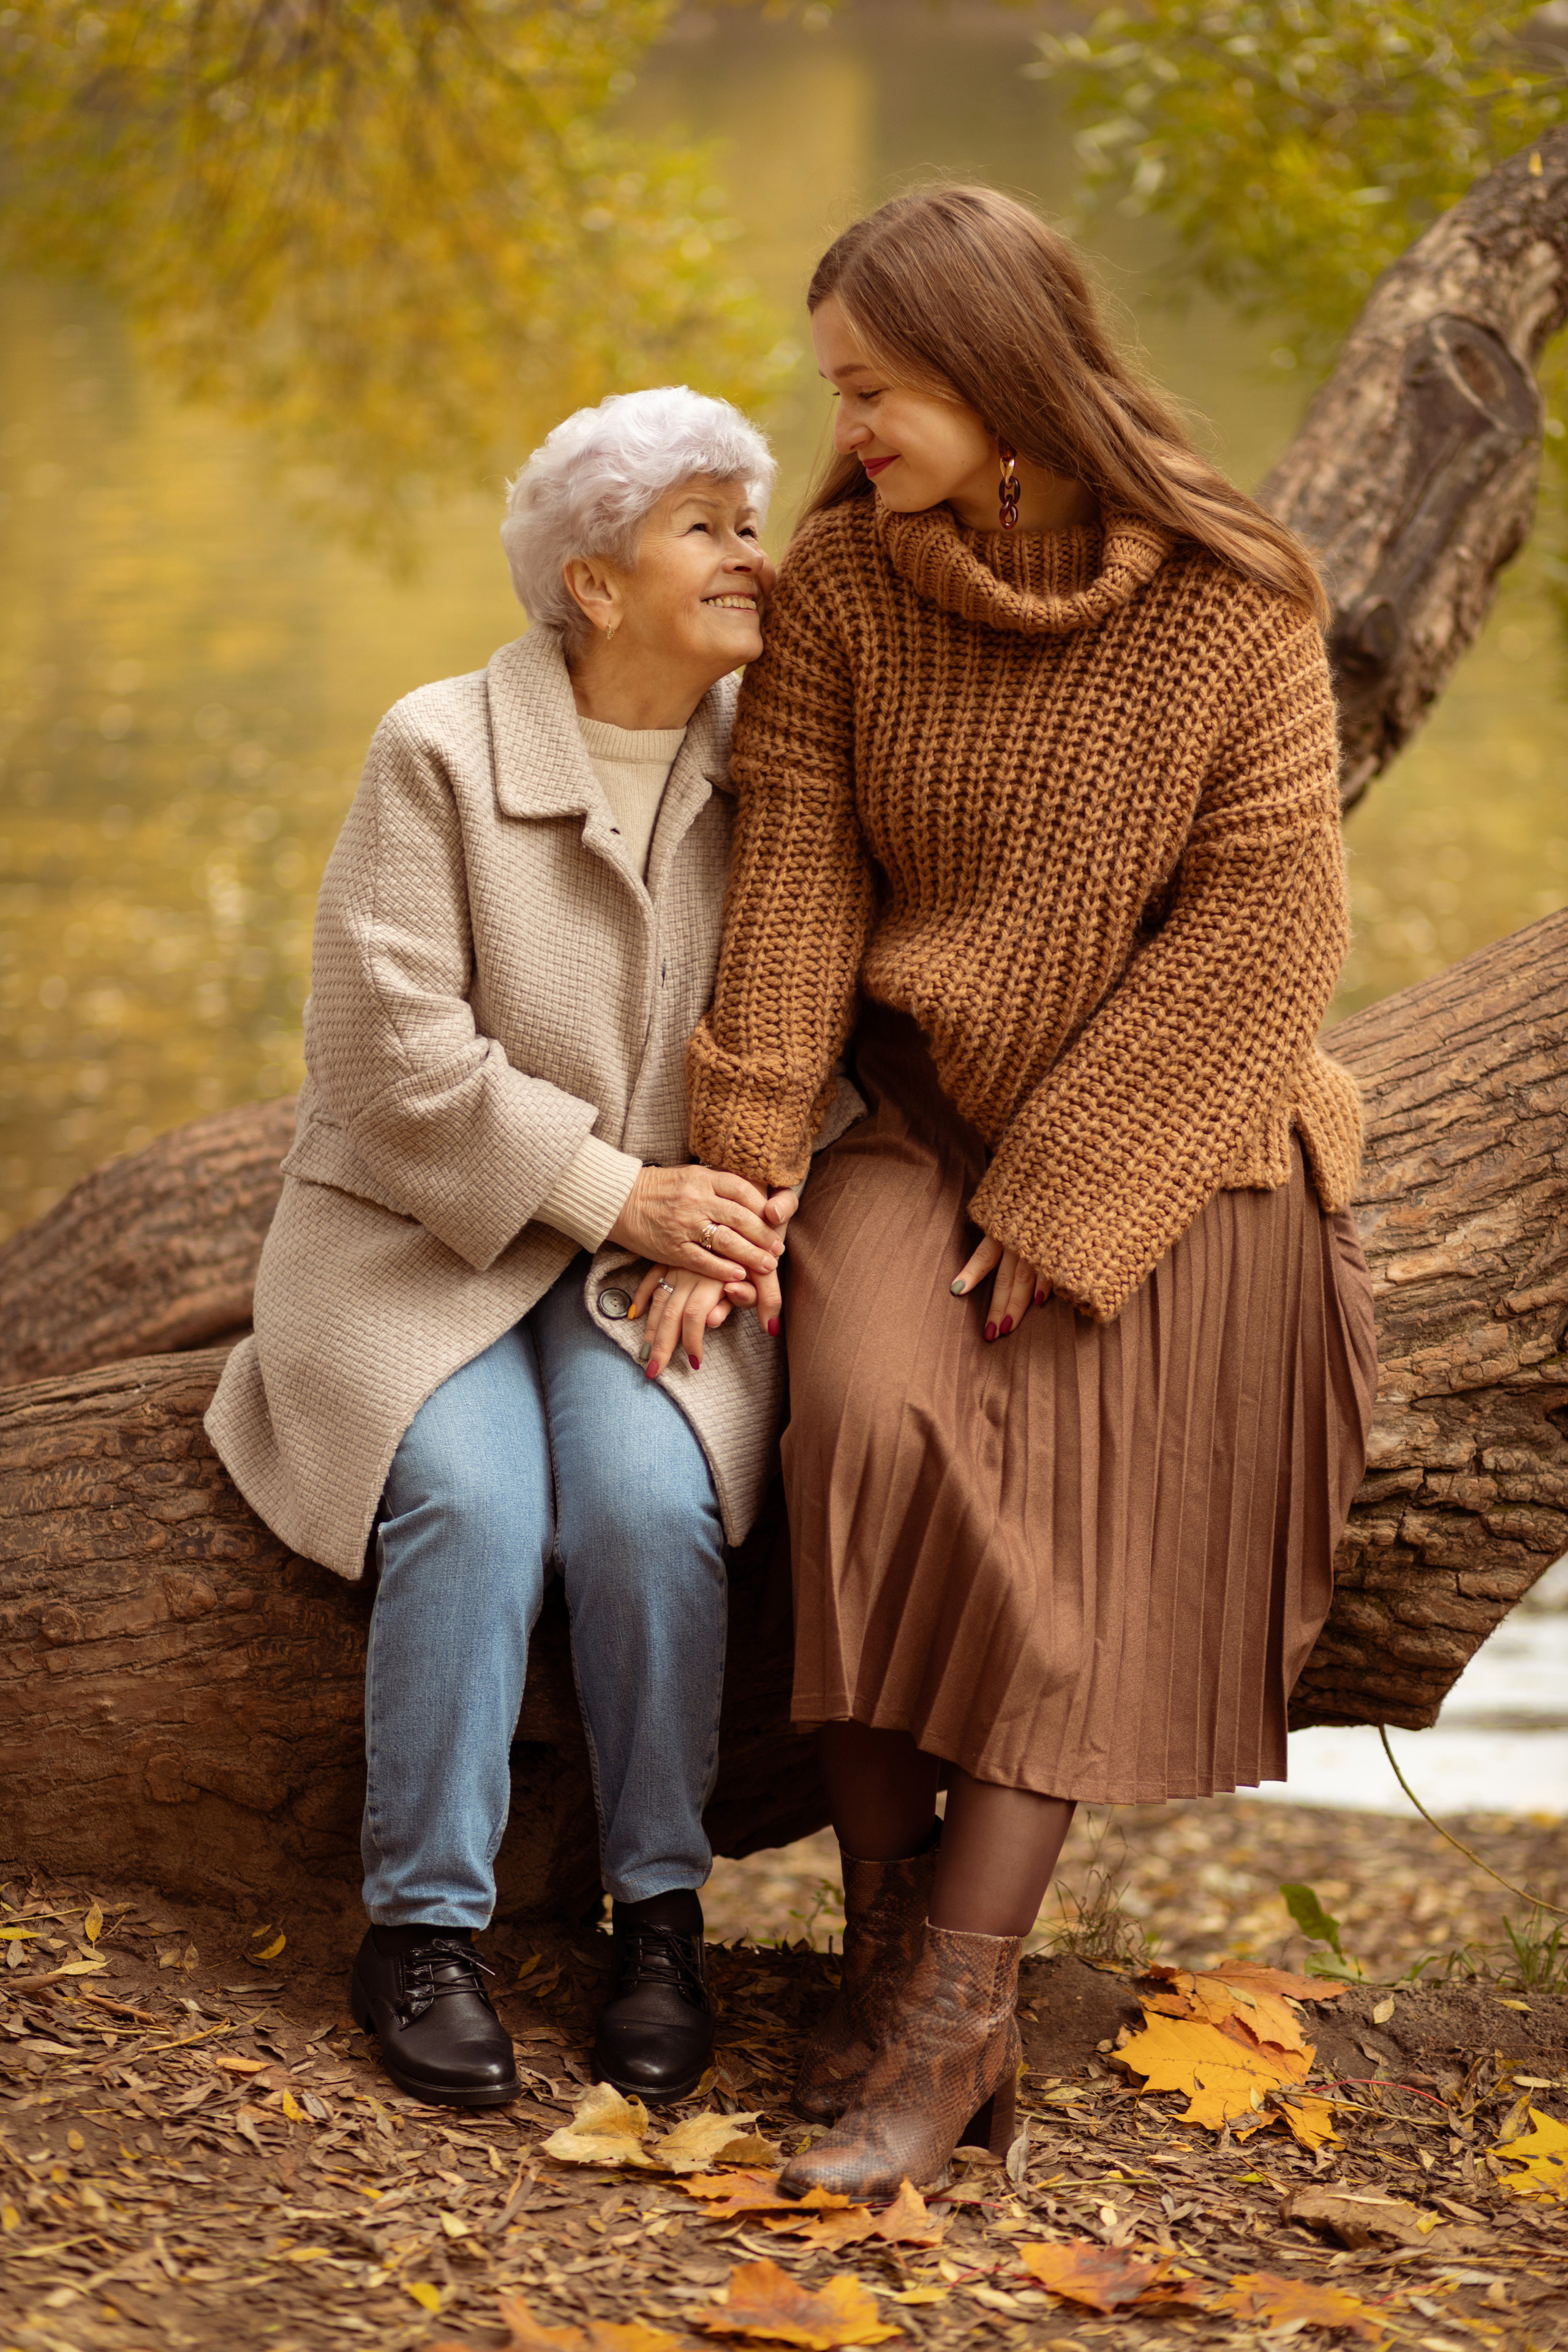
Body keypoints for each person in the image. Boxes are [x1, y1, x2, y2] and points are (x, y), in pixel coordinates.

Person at [685, 187, 1378, 2198]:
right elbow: (801, 879)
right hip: (913, 1117)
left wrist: (1083, 1186)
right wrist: (739, 1173)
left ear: (1001, 372)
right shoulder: (840, 588)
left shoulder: (1235, 599)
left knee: (1096, 1466)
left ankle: (954, 2011)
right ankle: (890, 1927)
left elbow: (1273, 920)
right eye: (845, 390)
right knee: (871, 1424)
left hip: (1183, 1126)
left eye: (877, 387)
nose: (851, 429)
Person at [207, 385, 859, 2113]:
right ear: (592, 580)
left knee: (652, 1504)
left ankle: (660, 1915)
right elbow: (389, 1061)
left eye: (753, 516)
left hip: (659, 1254)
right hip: (414, 1233)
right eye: (707, 526)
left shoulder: (777, 768)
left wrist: (737, 1204)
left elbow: (820, 1034)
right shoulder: (435, 747)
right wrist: (616, 1195)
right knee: (478, 1506)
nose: (753, 556)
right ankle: (421, 1927)